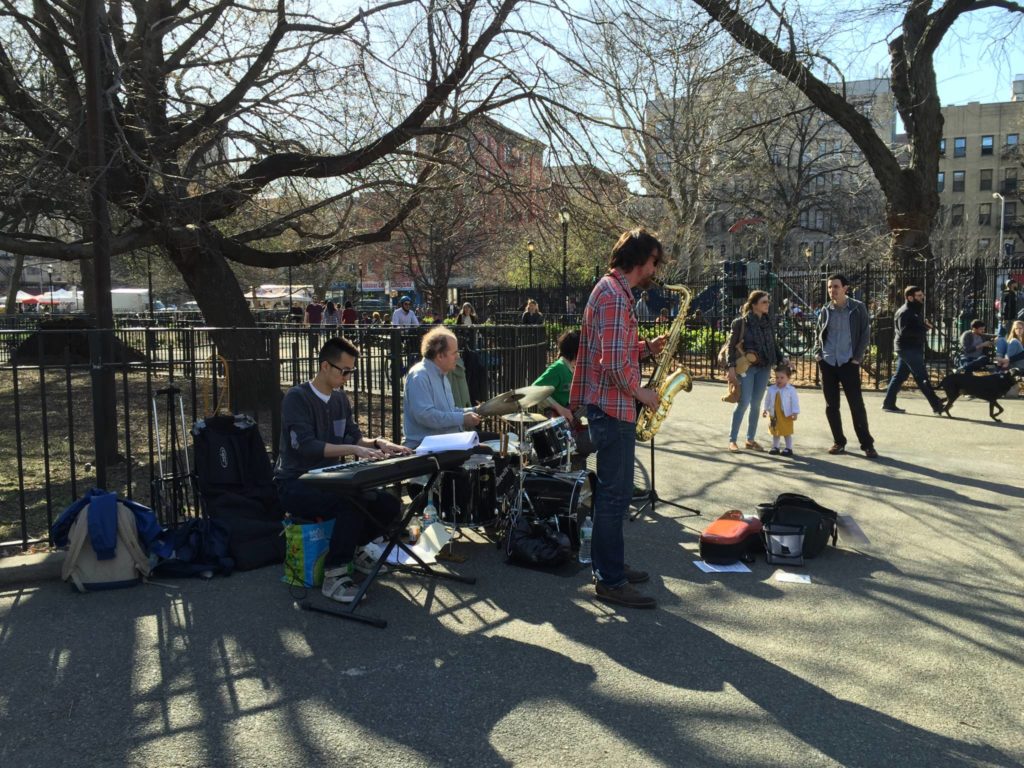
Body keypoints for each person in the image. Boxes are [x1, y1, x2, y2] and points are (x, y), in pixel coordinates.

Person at [569, 227, 667, 610]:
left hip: (611, 407)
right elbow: (610, 365)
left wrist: (644, 348)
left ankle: (611, 568)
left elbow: (614, 351)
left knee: (615, 495)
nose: (655, 269)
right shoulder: (612, 295)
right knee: (613, 497)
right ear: (641, 260)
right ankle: (610, 580)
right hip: (612, 409)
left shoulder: (613, 291)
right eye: (655, 261)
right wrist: (642, 393)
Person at [274, 337, 411, 604]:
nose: (348, 377)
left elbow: (354, 437)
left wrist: (378, 443)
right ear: (325, 366)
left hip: (333, 480)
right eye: (344, 371)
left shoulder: (340, 400)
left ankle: (356, 550)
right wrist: (354, 449)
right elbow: (307, 447)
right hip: (297, 482)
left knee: (387, 505)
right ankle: (334, 576)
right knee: (351, 502)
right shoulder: (297, 398)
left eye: (351, 371)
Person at [812, 274, 877, 458]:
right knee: (831, 406)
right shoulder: (825, 310)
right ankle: (839, 441)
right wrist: (818, 355)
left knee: (856, 405)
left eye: (836, 286)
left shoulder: (857, 308)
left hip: (848, 362)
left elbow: (865, 334)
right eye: (830, 287)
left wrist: (857, 358)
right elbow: (818, 334)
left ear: (845, 288)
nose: (832, 290)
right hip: (828, 362)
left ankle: (867, 444)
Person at [402, 327, 482, 449]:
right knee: (490, 449)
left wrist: (477, 410)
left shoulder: (442, 375)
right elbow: (426, 416)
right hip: (425, 449)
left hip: (444, 442)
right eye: (454, 353)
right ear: (440, 356)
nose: (458, 357)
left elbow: (448, 411)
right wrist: (462, 419)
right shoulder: (419, 376)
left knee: (496, 442)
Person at [725, 290, 782, 453]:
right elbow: (730, 346)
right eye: (764, 302)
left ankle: (750, 439)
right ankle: (732, 440)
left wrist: (781, 359)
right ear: (754, 304)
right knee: (743, 403)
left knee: (756, 404)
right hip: (747, 368)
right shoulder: (740, 323)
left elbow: (774, 344)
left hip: (764, 367)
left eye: (768, 301)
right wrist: (731, 368)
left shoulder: (768, 321)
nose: (767, 304)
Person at [882, 285, 945, 415]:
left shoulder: (914, 310)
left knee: (900, 376)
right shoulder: (904, 312)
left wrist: (923, 325)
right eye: (919, 296)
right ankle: (936, 404)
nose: (922, 298)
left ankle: (888, 403)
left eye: (922, 295)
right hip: (907, 348)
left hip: (911, 347)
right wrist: (924, 328)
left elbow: (913, 327)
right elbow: (904, 332)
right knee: (921, 376)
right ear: (910, 297)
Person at [762, 363, 799, 456]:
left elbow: (795, 402)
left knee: (786, 431)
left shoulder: (791, 390)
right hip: (774, 414)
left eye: (782, 378)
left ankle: (788, 448)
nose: (779, 380)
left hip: (786, 414)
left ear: (788, 378)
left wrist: (795, 412)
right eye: (777, 377)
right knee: (775, 431)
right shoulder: (771, 389)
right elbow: (767, 400)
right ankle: (775, 447)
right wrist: (765, 409)